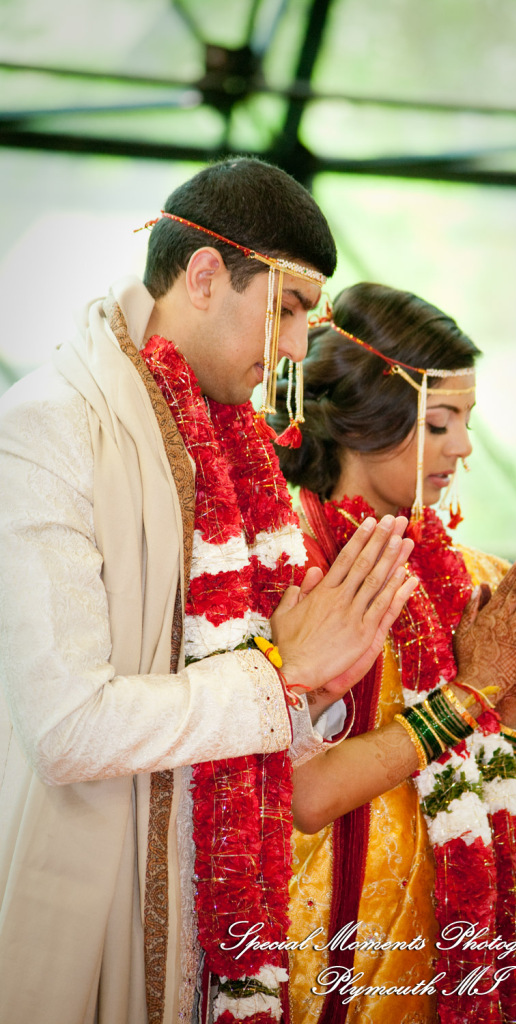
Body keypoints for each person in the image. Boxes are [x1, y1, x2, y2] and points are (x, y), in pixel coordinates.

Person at [0, 162, 417, 1024]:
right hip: (88, 897)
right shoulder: (50, 426)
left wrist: (316, 686)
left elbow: (255, 710)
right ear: (202, 277)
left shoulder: (229, 443)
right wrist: (281, 676)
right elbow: (67, 728)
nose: (300, 347)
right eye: (291, 307)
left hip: (210, 920)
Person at [274, 283, 516, 1024]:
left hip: (440, 972)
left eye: (466, 421)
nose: (463, 447)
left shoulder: (469, 581)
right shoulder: (291, 571)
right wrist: (467, 697)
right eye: (441, 422)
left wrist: (508, 703)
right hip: (312, 962)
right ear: (368, 415)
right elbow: (302, 796)